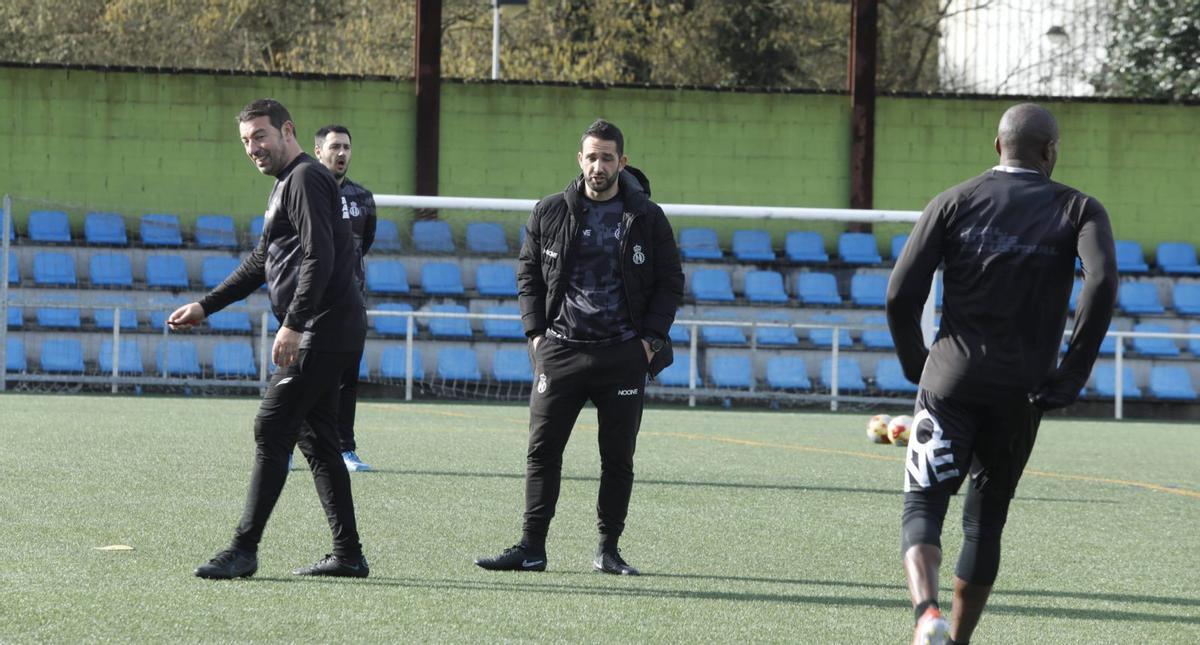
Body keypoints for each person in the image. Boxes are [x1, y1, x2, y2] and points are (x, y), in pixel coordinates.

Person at [886, 103, 1117, 644]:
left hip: (949, 381)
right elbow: (1101, 283)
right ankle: (958, 641)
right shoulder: (1080, 208)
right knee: (985, 522)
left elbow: (900, 294)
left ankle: (927, 617)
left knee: (923, 503)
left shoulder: (953, 201)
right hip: (1024, 389)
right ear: (1050, 152)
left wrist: (917, 365)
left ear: (997, 147)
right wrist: (1072, 372)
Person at [170, 98, 370, 580]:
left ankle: (243, 549)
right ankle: (348, 555)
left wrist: (295, 323)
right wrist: (205, 305)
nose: (253, 148)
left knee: (272, 426)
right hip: (330, 326)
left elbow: (321, 256)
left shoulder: (303, 177)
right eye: (245, 141)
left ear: (287, 130)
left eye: (260, 136)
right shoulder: (289, 184)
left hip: (324, 327)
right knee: (319, 440)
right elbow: (263, 260)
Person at [474, 119, 684, 576]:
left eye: (608, 157)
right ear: (580, 159)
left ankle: (608, 549)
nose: (598, 166)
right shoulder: (550, 211)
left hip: (623, 353)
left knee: (618, 457)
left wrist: (649, 342)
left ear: (622, 162)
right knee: (542, 451)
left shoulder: (648, 218)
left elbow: (671, 282)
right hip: (561, 351)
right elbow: (527, 274)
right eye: (592, 156)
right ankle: (532, 548)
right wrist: (535, 334)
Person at [314, 124, 377, 473]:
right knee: (300, 379)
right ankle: (290, 445)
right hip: (310, 304)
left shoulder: (362, 198)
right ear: (318, 150)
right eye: (335, 146)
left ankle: (345, 449)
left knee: (347, 381)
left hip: (352, 304)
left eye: (347, 147)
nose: (342, 153)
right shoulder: (303, 190)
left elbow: (363, 243)